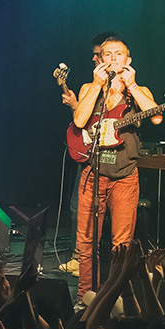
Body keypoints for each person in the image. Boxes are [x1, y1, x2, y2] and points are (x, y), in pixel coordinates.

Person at [72, 35, 160, 304]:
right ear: (100, 59)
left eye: (118, 54)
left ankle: (116, 298)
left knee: (121, 246)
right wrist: (98, 85)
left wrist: (131, 85)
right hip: (93, 174)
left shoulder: (139, 91)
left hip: (125, 177)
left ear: (128, 60)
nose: (112, 59)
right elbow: (79, 119)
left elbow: (156, 116)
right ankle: (84, 296)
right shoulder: (90, 87)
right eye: (107, 54)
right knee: (86, 243)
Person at [59, 32, 117, 278]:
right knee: (77, 207)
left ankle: (112, 266)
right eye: (97, 54)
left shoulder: (121, 87)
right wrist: (76, 105)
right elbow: (84, 121)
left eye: (99, 54)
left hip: (113, 159)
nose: (95, 58)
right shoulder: (90, 86)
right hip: (88, 155)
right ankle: (78, 258)